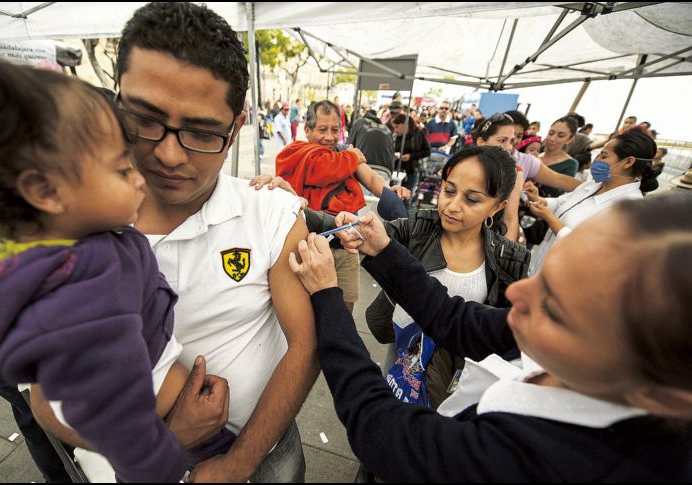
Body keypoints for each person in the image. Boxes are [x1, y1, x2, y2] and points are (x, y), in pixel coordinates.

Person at [0, 45, 232, 482]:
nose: (142, 178)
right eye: (123, 170)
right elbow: (64, 406)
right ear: (47, 192)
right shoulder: (88, 272)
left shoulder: (87, 240)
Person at [289, 192, 692, 482]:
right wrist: (383, 249)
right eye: (544, 277)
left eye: (554, 307)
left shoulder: (558, 462)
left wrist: (328, 298)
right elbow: (457, 320)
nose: (517, 293)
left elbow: (382, 430)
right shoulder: (599, 346)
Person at [108, 4, 319, 481]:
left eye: (202, 132)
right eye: (143, 118)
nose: (168, 153)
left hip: (265, 446)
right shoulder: (79, 223)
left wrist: (238, 462)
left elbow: (305, 344)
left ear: (236, 126)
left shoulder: (272, 214)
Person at [365, 145, 529, 407]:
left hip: (452, 372)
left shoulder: (509, 260)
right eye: (449, 191)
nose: (452, 206)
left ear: (497, 207)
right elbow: (363, 232)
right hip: (400, 346)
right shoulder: (418, 228)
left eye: (472, 199)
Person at [276, 100, 401, 312]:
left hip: (346, 248)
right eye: (322, 129)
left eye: (335, 130)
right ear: (307, 130)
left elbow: (371, 179)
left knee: (344, 314)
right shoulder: (298, 154)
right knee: (306, 314)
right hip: (308, 247)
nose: (329, 137)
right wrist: (350, 157)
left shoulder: (345, 153)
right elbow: (323, 169)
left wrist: (390, 192)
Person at [524, 130, 660, 276]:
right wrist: (538, 199)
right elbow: (560, 203)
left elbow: (590, 248)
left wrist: (551, 219)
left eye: (604, 155)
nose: (597, 160)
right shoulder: (593, 185)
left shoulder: (630, 208)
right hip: (541, 269)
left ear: (628, 162)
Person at [471, 114, 524, 241]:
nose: (509, 147)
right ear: (481, 142)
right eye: (502, 140)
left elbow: (510, 219)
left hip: (487, 241)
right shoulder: (460, 165)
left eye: (511, 141)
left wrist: (506, 256)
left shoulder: (515, 172)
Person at [537, 116, 581, 198]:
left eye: (560, 136)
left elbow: (557, 192)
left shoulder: (570, 164)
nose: (552, 138)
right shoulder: (536, 155)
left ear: (570, 139)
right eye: (551, 133)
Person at [391, 113, 431, 197]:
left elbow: (427, 152)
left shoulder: (419, 134)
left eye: (397, 127)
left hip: (412, 170)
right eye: (394, 127)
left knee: (406, 198)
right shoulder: (395, 136)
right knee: (393, 196)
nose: (395, 130)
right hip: (396, 169)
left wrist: (411, 156)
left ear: (405, 125)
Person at [348, 107, 395, 172]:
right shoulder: (387, 129)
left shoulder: (359, 122)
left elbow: (349, 145)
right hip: (386, 170)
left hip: (365, 165)